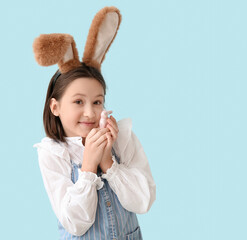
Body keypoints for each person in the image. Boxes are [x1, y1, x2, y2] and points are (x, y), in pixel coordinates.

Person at [33, 7, 156, 240]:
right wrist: (88, 166)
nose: (89, 112)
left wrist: (109, 162)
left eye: (97, 101)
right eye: (78, 101)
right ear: (55, 107)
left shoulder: (123, 139)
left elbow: (144, 200)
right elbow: (74, 223)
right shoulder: (54, 153)